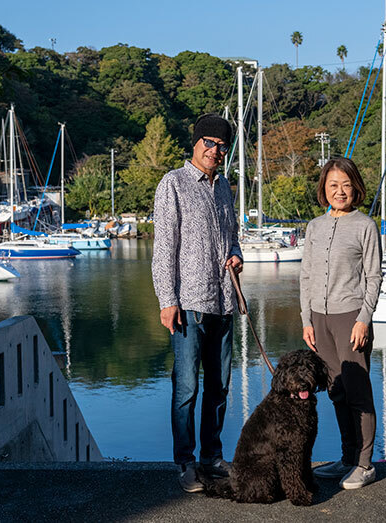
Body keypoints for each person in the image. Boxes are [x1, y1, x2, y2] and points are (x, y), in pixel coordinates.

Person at [151, 113, 243, 493]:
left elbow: (234, 237)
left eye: (222, 146)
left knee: (219, 387)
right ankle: (186, 461)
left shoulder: (224, 188)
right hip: (188, 303)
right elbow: (163, 249)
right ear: (195, 142)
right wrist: (166, 300)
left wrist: (237, 255)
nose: (215, 151)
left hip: (224, 301)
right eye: (209, 142)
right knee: (186, 388)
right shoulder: (172, 184)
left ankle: (212, 456)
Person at [300, 157, 382, 489]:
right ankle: (347, 458)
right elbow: (305, 276)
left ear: (356, 188)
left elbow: (374, 277)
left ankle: (364, 464)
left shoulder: (365, 225)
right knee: (335, 390)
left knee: (358, 391)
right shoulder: (314, 227)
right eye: (333, 185)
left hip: (351, 318)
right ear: (324, 188)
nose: (340, 191)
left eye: (346, 185)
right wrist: (306, 319)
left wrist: (364, 319)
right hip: (319, 319)